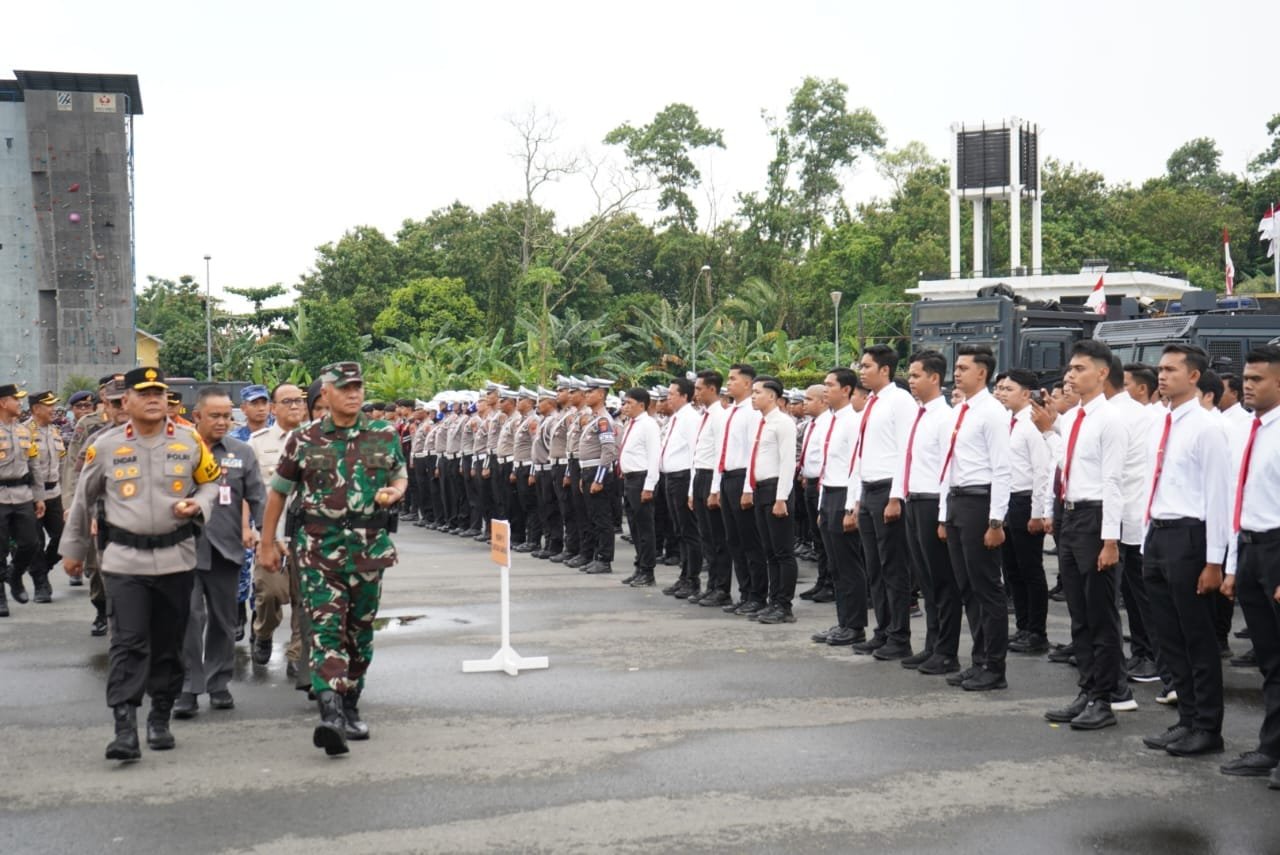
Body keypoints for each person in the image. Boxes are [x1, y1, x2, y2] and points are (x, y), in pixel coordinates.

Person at [61, 366, 222, 761]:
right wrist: (74, 550)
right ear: (125, 401)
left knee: (169, 644)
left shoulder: (189, 442)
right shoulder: (106, 446)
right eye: (144, 393)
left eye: (159, 393)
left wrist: (198, 505)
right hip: (124, 561)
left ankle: (160, 717)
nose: (154, 399)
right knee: (128, 643)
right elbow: (83, 500)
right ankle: (124, 728)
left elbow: (212, 482)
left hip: (175, 559)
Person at [257, 362, 408, 756]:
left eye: (358, 386)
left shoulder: (384, 433)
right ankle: (331, 714)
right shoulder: (304, 439)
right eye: (344, 388)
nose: (354, 394)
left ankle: (351, 701)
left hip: (369, 550)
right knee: (325, 631)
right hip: (318, 550)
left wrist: (395, 492)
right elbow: (278, 493)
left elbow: (400, 474)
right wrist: (268, 542)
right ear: (325, 394)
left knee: (359, 633)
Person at [1138, 344, 1231, 758]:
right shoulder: (1164, 421)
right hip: (1158, 535)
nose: (1162, 376)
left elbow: (1218, 497)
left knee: (1197, 639)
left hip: (1190, 537)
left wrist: (1215, 561)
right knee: (1168, 637)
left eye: (1172, 369)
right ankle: (1187, 720)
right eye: (1160, 369)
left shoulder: (1207, 427)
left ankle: (1208, 728)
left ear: (1194, 377)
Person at [1042, 340, 1126, 728]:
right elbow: (1067, 465)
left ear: (1102, 373)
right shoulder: (1074, 417)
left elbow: (1113, 481)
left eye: (1079, 369)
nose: (1071, 376)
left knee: (1101, 615)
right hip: (1072, 517)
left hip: (1095, 519)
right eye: (1070, 369)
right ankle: (1087, 689)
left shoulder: (1109, 418)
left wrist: (1110, 540)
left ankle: (1105, 699)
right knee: (1078, 613)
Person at [174, 388, 266, 718]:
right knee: (188, 618)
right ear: (196, 416)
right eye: (214, 415)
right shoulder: (179, 449)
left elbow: (257, 496)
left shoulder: (242, 452)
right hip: (183, 547)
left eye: (227, 415)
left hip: (227, 547)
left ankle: (218, 682)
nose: (222, 422)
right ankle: (188, 686)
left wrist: (263, 533)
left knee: (224, 620)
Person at [1220, 344, 1280, 787]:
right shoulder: (1252, 429)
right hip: (1252, 547)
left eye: (1257, 379)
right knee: (1272, 661)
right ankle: (1271, 749)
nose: (1246, 386)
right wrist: (1233, 564)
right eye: (1245, 378)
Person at [937, 344, 1011, 692]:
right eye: (958, 367)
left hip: (980, 502)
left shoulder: (992, 412)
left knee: (987, 589)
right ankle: (979, 659)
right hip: (957, 502)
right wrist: (943, 514)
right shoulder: (959, 411)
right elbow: (948, 466)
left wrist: (996, 521)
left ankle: (995, 667)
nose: (957, 372)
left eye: (964, 367)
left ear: (982, 372)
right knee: (967, 587)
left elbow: (1001, 468)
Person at [846, 345, 919, 659]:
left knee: (893, 569)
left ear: (885, 370)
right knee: (874, 567)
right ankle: (883, 631)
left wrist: (896, 497)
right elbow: (864, 453)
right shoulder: (873, 402)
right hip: (870, 490)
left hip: (889, 489)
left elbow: (906, 450)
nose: (861, 371)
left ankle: (899, 637)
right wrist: (857, 499)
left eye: (866, 366)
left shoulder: (900, 401)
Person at [901, 351, 962, 675]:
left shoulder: (945, 417)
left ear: (934, 378)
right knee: (925, 579)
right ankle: (932, 645)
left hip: (933, 503)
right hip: (914, 500)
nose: (910, 381)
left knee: (942, 581)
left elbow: (947, 470)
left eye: (915, 375)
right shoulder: (919, 414)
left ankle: (947, 651)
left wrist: (941, 516)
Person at [247, 383, 307, 672]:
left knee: (304, 598)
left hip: (308, 534)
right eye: (287, 401)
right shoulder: (258, 442)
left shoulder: (318, 440)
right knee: (269, 594)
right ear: (273, 408)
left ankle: (296, 655)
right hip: (270, 533)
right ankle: (263, 631)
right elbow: (246, 490)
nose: (294, 406)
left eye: (299, 401)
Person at [810, 368, 869, 647]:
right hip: (830, 494)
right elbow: (827, 467)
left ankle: (855, 625)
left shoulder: (853, 422)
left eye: (829, 384)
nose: (825, 389)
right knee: (836, 565)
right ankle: (843, 621)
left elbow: (856, 468)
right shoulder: (831, 421)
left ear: (846, 390)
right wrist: (823, 506)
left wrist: (850, 508)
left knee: (849, 565)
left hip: (845, 495)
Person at [998, 369, 1052, 655]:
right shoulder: (1009, 423)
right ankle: (1022, 627)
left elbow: (1042, 470)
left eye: (1009, 388)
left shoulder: (1032, 424)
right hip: (1007, 502)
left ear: (1025, 393)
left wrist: (1037, 512)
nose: (1003, 392)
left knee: (1030, 569)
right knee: (1012, 570)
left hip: (1024, 501)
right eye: (1002, 388)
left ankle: (1037, 631)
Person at [712, 364, 767, 615]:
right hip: (728, 478)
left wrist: (748, 488)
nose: (729, 383)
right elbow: (721, 451)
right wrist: (717, 486)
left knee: (750, 542)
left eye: (733, 379)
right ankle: (745, 593)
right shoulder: (729, 412)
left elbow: (752, 452)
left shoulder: (752, 413)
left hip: (744, 478)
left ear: (747, 383)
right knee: (734, 540)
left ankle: (757, 595)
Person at [744, 375, 799, 623]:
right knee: (770, 552)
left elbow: (788, 462)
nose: (753, 396)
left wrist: (781, 498)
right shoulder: (762, 422)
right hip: (761, 489)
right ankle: (773, 599)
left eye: (757, 392)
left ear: (772, 396)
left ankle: (784, 605)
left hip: (777, 489)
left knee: (783, 551)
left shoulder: (783, 423)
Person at [686, 371, 732, 607]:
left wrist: (715, 489)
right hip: (700, 476)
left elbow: (719, 455)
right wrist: (694, 491)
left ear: (712, 389)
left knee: (718, 538)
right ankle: (712, 584)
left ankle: (722, 588)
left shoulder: (720, 417)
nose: (696, 393)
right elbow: (698, 455)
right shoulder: (704, 416)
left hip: (712, 477)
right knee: (706, 536)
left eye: (699, 389)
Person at [0, 383, 45, 617]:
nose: (20, 403)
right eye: (15, 399)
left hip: (23, 495)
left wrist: (39, 497)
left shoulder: (25, 431)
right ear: (3, 403)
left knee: (31, 543)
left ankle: (14, 575)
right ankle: (0, 597)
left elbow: (34, 466)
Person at [659, 377, 699, 598]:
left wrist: (692, 488)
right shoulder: (676, 418)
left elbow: (695, 454)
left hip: (683, 478)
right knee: (679, 531)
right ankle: (684, 576)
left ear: (685, 396)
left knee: (688, 531)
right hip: (671, 478)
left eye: (672, 394)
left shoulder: (690, 418)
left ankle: (691, 579)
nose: (668, 398)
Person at [617, 387, 661, 587]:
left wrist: (649, 486)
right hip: (630, 479)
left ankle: (647, 571)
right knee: (634, 527)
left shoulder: (648, 424)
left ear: (641, 405)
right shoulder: (632, 424)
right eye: (624, 403)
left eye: (629, 403)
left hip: (641, 479)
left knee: (645, 529)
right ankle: (639, 566)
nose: (624, 407)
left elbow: (654, 456)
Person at [575, 377, 619, 575]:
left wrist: (599, 479)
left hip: (596, 472)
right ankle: (596, 556)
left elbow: (608, 451)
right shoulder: (594, 418)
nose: (587, 395)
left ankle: (604, 559)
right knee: (592, 517)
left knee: (602, 519)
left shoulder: (603, 420)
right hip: (588, 471)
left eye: (591, 392)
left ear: (601, 394)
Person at [27, 391, 66, 604]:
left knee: (63, 537)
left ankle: (42, 568)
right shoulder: (24, 432)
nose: (53, 409)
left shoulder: (55, 431)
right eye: (48, 405)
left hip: (55, 493)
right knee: (35, 542)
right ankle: (41, 584)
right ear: (36, 409)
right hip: (32, 495)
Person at [797, 384, 834, 603]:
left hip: (822, 485)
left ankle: (830, 583)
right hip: (809, 483)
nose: (804, 403)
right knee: (816, 538)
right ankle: (822, 580)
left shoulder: (828, 423)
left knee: (825, 538)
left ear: (822, 401)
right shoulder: (812, 424)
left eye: (809, 399)